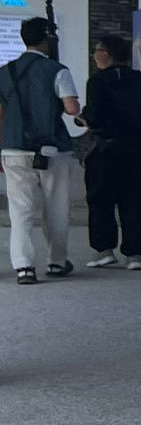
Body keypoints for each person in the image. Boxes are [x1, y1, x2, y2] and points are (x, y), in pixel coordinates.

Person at [2, 17, 86, 283]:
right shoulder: (57, 70)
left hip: (13, 148)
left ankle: (24, 267)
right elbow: (71, 108)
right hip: (52, 148)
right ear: (47, 40)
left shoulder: (4, 72)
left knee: (20, 211)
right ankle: (57, 262)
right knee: (56, 208)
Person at [82, 31, 141, 270]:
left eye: (97, 51)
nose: (94, 56)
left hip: (105, 150)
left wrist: (85, 118)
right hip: (136, 150)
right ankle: (135, 255)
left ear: (107, 54)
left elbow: (95, 117)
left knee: (100, 200)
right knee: (135, 202)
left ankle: (104, 251)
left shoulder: (97, 82)